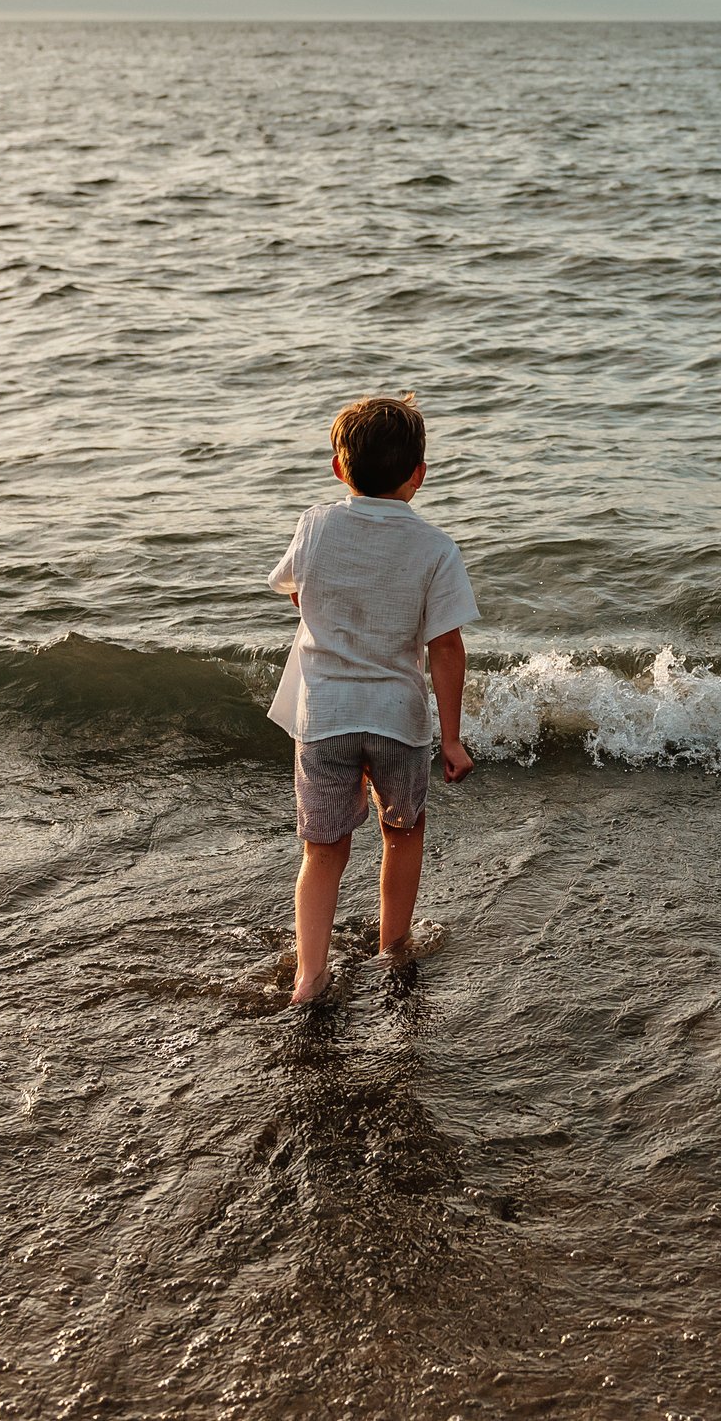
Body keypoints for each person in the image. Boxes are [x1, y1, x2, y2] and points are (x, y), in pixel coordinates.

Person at [267, 394, 477, 1007]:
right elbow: (446, 648)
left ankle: (310, 977)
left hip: (325, 713)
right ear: (420, 474)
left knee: (324, 846)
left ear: (339, 468)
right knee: (402, 830)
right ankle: (392, 947)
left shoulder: (315, 524)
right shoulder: (436, 548)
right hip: (397, 717)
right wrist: (453, 736)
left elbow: (296, 593)